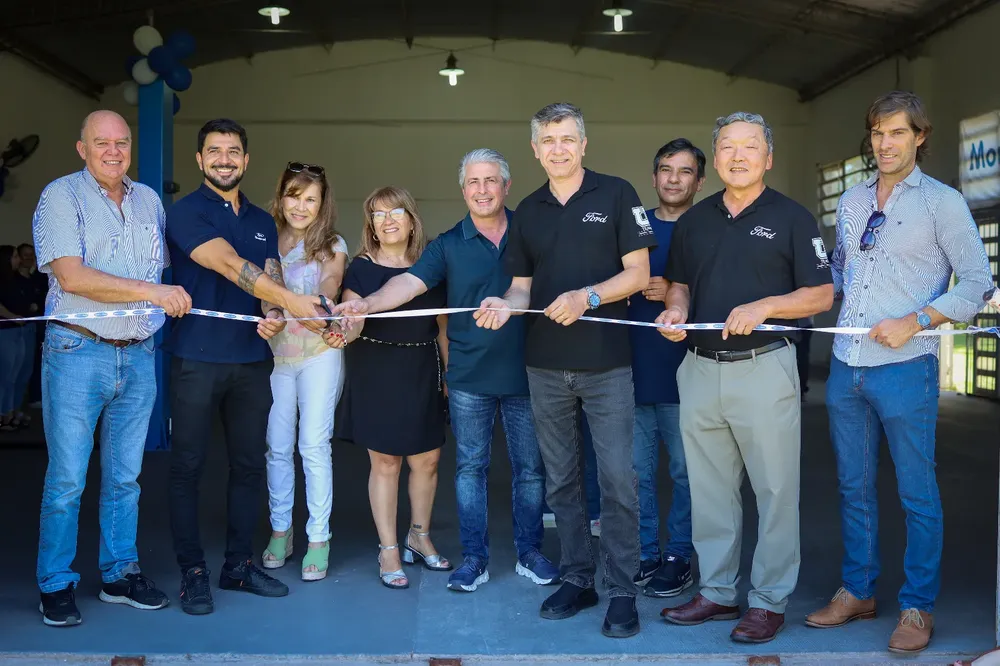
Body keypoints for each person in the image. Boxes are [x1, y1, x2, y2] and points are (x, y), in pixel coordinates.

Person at [805, 91, 992, 654]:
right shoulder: (855, 200)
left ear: (919, 137)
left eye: (896, 133)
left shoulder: (944, 203)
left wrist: (915, 320)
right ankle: (858, 590)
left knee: (917, 491)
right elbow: (839, 271)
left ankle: (918, 605)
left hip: (905, 367)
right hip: (847, 366)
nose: (884, 144)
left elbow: (976, 282)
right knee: (852, 486)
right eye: (877, 134)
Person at [333, 149, 558, 593]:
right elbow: (408, 283)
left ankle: (531, 552)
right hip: (470, 376)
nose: (482, 190)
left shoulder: (532, 231)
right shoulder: (448, 244)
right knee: (469, 469)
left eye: (490, 180)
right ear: (463, 190)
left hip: (528, 371)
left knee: (530, 471)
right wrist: (366, 302)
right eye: (473, 182)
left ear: (506, 186)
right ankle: (474, 559)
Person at [474, 102, 654, 638]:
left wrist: (588, 296)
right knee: (563, 482)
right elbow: (522, 287)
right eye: (548, 139)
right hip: (546, 366)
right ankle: (579, 576)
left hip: (606, 365)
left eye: (567, 138)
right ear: (535, 149)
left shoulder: (618, 194)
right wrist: (505, 304)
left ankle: (622, 589)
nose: (558, 148)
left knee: (619, 479)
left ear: (583, 144)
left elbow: (639, 273)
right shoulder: (527, 210)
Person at [656, 111, 834, 643]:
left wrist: (767, 306)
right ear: (717, 157)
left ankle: (769, 600)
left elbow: (822, 294)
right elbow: (679, 284)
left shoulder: (794, 218)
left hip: (764, 367)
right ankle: (717, 591)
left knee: (775, 489)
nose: (738, 155)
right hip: (699, 368)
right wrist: (674, 311)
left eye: (750, 146)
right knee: (709, 490)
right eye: (728, 146)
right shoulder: (694, 220)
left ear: (768, 158)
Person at [31, 110, 193, 627]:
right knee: (67, 479)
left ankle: (119, 574)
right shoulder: (61, 196)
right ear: (82, 148)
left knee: (126, 478)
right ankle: (55, 583)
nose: (113, 151)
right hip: (78, 351)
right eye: (101, 143)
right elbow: (72, 277)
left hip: (138, 355)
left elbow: (171, 269)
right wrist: (153, 293)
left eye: (121, 142)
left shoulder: (148, 200)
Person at [164, 118, 327, 616]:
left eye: (233, 151)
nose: (225, 159)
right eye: (214, 151)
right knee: (188, 467)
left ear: (246, 159)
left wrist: (276, 315)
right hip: (196, 358)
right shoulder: (185, 212)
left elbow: (267, 278)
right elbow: (231, 265)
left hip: (253, 362)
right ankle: (193, 571)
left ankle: (238, 564)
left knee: (249, 465)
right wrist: (295, 302)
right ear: (199, 160)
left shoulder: (260, 219)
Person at [328, 186, 452, 591]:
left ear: (412, 218)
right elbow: (354, 313)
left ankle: (419, 534)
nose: (389, 219)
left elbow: (444, 328)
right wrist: (345, 327)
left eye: (397, 211)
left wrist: (449, 376)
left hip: (422, 365)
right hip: (376, 368)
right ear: (371, 225)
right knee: (386, 463)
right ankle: (388, 549)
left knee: (427, 460)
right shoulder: (361, 269)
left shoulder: (430, 267)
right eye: (379, 214)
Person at [260, 162, 349, 582]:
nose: (301, 206)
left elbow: (331, 282)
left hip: (319, 354)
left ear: (322, 205)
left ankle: (318, 537)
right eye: (294, 196)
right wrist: (273, 313)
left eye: (310, 199)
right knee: (277, 446)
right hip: (277, 358)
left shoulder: (332, 243)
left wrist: (319, 304)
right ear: (281, 197)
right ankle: (281, 530)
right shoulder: (265, 237)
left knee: (313, 445)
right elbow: (266, 290)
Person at [631, 139, 704, 598]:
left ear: (700, 180)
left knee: (685, 473)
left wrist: (679, 293)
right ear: (654, 176)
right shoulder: (634, 229)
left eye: (684, 171)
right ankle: (644, 552)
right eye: (665, 169)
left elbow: (729, 293)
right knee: (635, 473)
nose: (673, 178)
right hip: (632, 371)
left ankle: (678, 555)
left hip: (688, 374)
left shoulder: (709, 229)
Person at [0, 245, 28, 432]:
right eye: (16, 256)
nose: (19, 260)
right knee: (5, 376)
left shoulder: (14, 279)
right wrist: (12, 317)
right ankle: (3, 415)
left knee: (14, 376)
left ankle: (9, 412)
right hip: (5, 331)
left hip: (19, 331)